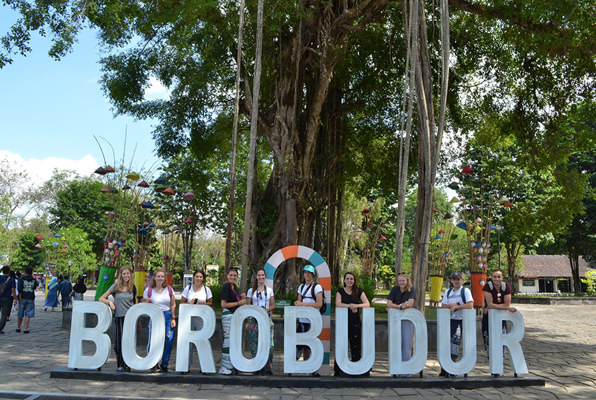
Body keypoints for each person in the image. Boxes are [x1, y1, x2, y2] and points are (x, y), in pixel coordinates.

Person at [99, 265, 137, 371]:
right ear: (121, 275)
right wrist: (110, 302)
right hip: (119, 317)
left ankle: (127, 364)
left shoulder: (132, 287)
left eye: (128, 273)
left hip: (129, 318)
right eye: (124, 273)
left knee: (128, 342)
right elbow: (101, 298)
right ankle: (120, 364)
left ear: (130, 274)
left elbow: (134, 303)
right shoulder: (115, 286)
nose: (126, 275)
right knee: (119, 342)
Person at [334, 271, 370, 377]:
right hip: (343, 322)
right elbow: (338, 304)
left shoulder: (358, 291)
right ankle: (339, 370)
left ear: (354, 281)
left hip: (355, 322)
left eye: (351, 279)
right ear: (344, 280)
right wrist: (350, 306)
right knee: (341, 345)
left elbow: (367, 304)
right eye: (347, 279)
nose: (349, 281)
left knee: (356, 345)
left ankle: (357, 370)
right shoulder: (340, 291)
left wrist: (356, 306)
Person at [439, 271, 474, 377]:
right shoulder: (448, 292)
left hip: (459, 320)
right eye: (454, 279)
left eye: (458, 279)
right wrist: (454, 304)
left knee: (455, 344)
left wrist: (457, 307)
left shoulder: (465, 291)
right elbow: (444, 306)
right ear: (451, 280)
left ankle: (452, 368)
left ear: (462, 280)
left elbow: (470, 305)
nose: (456, 281)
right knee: (445, 345)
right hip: (448, 321)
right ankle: (444, 368)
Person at [143, 269, 176, 372]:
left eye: (162, 276)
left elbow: (173, 304)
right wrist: (147, 302)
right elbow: (142, 304)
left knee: (168, 341)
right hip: (154, 317)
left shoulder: (169, 290)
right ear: (154, 278)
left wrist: (173, 318)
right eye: (158, 276)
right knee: (153, 341)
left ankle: (164, 363)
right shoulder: (148, 290)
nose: (160, 278)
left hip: (166, 316)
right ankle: (152, 363)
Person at [180, 269, 213, 372]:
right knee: (188, 343)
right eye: (197, 276)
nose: (199, 278)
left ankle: (204, 367)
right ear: (194, 277)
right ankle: (186, 366)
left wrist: (203, 303)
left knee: (202, 341)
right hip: (189, 318)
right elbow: (181, 303)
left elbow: (211, 303)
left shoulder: (206, 290)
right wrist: (190, 303)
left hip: (201, 318)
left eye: (201, 277)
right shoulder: (188, 289)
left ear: (203, 278)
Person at [245, 267, 275, 375]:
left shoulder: (269, 290)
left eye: (262, 275)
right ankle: (256, 366)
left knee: (269, 344)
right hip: (254, 319)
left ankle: (268, 368)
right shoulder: (251, 291)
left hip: (266, 317)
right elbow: (248, 304)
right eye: (259, 275)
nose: (261, 277)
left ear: (265, 276)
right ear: (256, 277)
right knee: (254, 344)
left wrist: (267, 309)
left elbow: (273, 305)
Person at [386, 273, 416, 375]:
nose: (401, 282)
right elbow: (388, 304)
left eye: (403, 281)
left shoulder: (411, 290)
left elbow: (410, 304)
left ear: (407, 281)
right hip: (395, 319)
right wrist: (400, 307)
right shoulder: (395, 289)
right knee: (396, 344)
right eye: (400, 281)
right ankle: (396, 370)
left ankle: (406, 371)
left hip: (407, 319)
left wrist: (395, 306)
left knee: (407, 345)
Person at [294, 265, 323, 370]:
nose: (307, 274)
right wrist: (298, 304)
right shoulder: (301, 287)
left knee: (310, 346)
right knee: (299, 344)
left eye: (309, 273)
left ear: (313, 275)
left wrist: (303, 303)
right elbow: (299, 302)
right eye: (305, 272)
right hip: (302, 320)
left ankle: (312, 368)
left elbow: (319, 304)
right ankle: (301, 367)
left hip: (313, 321)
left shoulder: (317, 287)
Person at [219, 267, 247, 375]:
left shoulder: (234, 287)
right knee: (228, 341)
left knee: (232, 341)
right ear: (227, 276)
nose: (233, 277)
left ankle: (230, 365)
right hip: (228, 316)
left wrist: (241, 297)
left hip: (234, 316)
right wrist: (239, 303)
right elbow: (223, 304)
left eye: (235, 275)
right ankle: (224, 366)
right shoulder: (226, 287)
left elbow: (235, 300)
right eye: (231, 275)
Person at [482, 269, 516, 353]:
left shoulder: (506, 287)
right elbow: (490, 304)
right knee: (489, 340)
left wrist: (492, 307)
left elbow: (507, 304)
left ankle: (500, 360)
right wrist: (505, 307)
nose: (496, 279)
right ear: (491, 277)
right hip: (488, 318)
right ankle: (491, 360)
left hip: (501, 317)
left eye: (499, 277)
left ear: (502, 278)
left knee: (501, 340)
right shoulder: (487, 286)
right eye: (494, 277)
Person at [16, 267, 39, 334]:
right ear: (31, 272)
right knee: (28, 313)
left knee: (20, 312)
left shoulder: (21, 279)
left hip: (22, 297)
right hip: (30, 297)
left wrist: (19, 296)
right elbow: (34, 287)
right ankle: (26, 328)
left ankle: (18, 327)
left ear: (25, 272)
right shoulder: (34, 280)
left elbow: (19, 288)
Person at [0, 265, 17, 334]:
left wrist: (1, 269)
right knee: (4, 314)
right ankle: (0, 328)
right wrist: (15, 299)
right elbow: (13, 290)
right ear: (9, 272)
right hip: (7, 298)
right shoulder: (12, 279)